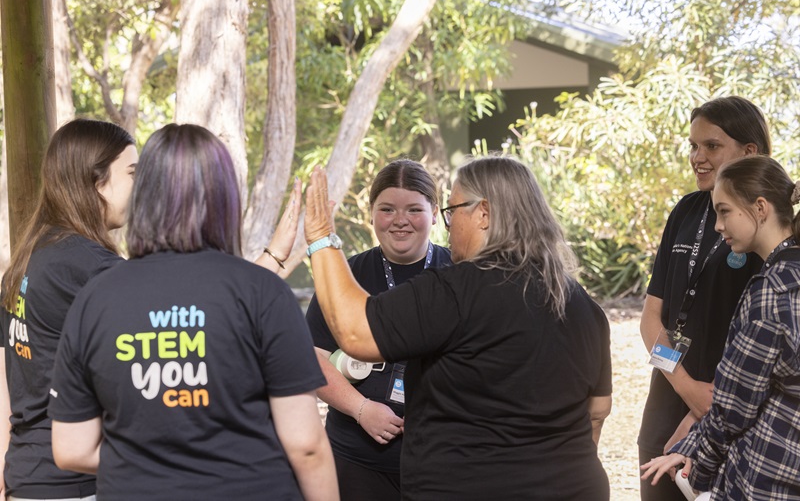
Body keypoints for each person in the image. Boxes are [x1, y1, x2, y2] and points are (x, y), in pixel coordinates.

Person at [47, 124, 337, 500]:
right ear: (225, 197)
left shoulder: (95, 298)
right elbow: (307, 446)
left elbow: (72, 449)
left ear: (144, 197)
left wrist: (149, 461)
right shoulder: (264, 294)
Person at [303, 154, 612, 500]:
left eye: (451, 211)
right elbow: (598, 412)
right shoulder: (580, 302)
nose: (449, 227)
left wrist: (321, 238)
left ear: (483, 213)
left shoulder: (457, 288)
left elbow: (355, 333)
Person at [641, 155, 800, 500]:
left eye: (711, 145)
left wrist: (701, 434)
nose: (698, 157)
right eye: (693, 145)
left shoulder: (766, 283)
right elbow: (650, 320)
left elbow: (739, 398)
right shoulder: (683, 213)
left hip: (735, 433)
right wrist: (683, 384)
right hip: (677, 387)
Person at [0, 119, 137, 501]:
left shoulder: (29, 257)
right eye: (131, 174)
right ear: (97, 183)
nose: (139, 187)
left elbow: (4, 369)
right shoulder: (90, 266)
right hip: (75, 483)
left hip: (29, 474)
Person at [306, 159, 451, 500]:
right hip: (358, 461)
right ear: (371, 213)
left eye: (414, 209)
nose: (400, 220)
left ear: (434, 212)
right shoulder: (345, 274)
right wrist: (360, 408)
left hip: (445, 464)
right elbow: (310, 358)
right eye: (387, 209)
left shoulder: (460, 272)